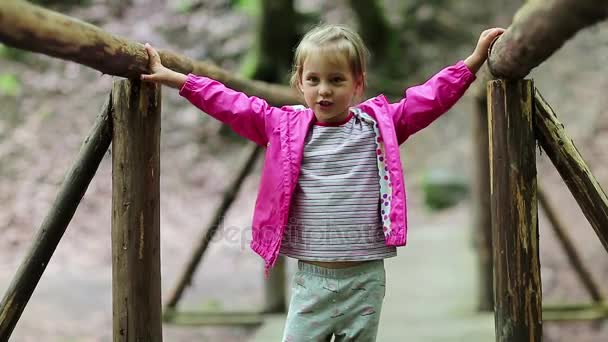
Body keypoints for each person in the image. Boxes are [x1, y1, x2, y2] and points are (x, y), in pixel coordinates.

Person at [141, 24, 504, 342]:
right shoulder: (282, 126)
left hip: (365, 281)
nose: (323, 91)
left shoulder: (378, 127)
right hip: (311, 281)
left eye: (336, 80)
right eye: (313, 80)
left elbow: (427, 100)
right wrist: (180, 80)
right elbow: (233, 104)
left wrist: (471, 63)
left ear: (357, 84)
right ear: (299, 83)